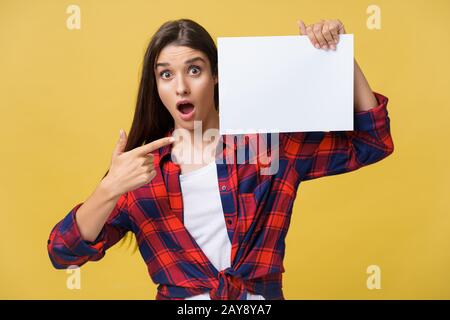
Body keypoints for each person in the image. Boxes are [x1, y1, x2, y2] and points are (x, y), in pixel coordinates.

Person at [47, 18, 394, 300]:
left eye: (194, 70)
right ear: (156, 86)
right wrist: (109, 189)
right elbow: (63, 254)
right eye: (166, 74)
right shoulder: (139, 171)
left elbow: (372, 141)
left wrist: (339, 57)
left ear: (215, 76)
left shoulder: (268, 146)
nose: (181, 86)